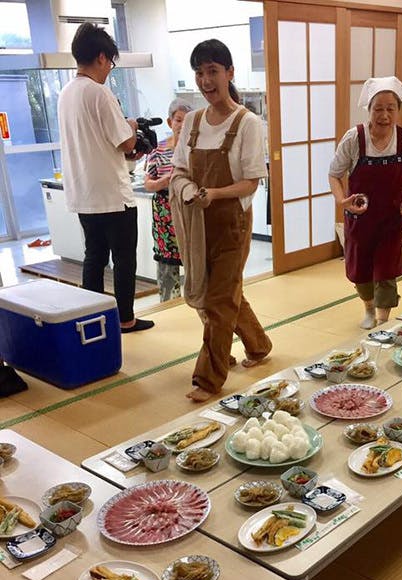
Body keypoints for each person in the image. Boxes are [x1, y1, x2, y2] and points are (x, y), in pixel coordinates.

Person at [170, 39, 271, 403]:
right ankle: (258, 345)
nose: (205, 80)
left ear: (229, 73)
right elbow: (178, 170)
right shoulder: (192, 121)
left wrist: (214, 193)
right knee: (223, 294)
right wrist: (188, 190)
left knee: (218, 301)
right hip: (197, 224)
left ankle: (208, 379)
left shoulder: (247, 122)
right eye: (199, 72)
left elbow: (252, 182)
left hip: (232, 223)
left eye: (212, 71)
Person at [57, 22, 154, 333]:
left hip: (83, 194)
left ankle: (92, 321)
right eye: (110, 62)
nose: (110, 69)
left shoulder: (66, 93)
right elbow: (126, 142)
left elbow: (98, 143)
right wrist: (132, 127)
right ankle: (126, 319)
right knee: (124, 260)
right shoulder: (99, 93)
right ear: (101, 57)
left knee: (94, 257)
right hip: (112, 196)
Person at [329, 77, 402, 330]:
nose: (384, 115)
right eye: (378, 108)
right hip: (360, 218)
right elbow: (334, 174)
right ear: (368, 109)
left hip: (391, 217)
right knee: (360, 269)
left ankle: (382, 320)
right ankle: (369, 307)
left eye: (391, 108)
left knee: (386, 270)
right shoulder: (354, 138)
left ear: (398, 110)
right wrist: (342, 201)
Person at [144, 99, 192, 301]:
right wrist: (164, 181)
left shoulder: (196, 148)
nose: (182, 125)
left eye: (187, 120)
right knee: (167, 265)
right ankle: (168, 305)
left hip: (189, 207)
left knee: (195, 259)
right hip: (164, 212)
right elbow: (148, 183)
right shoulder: (158, 148)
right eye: (178, 120)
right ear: (170, 122)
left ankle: (197, 301)